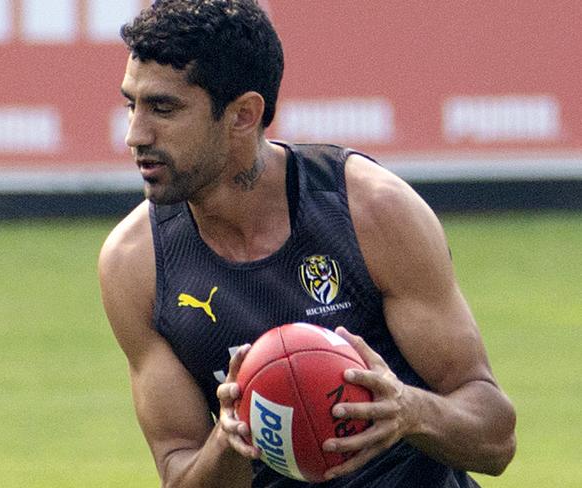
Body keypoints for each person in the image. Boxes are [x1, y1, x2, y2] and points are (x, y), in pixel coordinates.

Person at [98, 1, 517, 486]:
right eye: (132, 104)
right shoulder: (136, 264)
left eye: (163, 108)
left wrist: (408, 410)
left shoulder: (369, 210)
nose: (135, 134)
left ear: (243, 114)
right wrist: (229, 440)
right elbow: (179, 473)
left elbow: (495, 438)